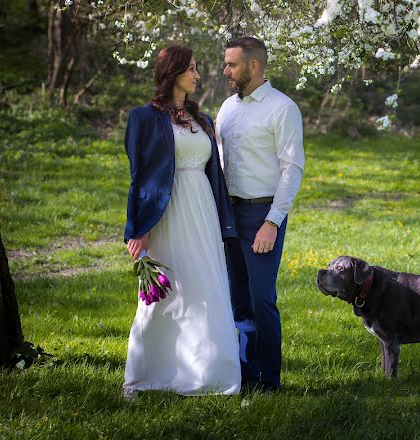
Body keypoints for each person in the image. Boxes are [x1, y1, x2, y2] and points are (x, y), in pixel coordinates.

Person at [122, 45, 241, 397]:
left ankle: (210, 374)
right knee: (163, 294)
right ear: (173, 73)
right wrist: (137, 229)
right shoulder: (143, 118)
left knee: (207, 289)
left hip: (201, 210)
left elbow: (213, 172)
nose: (197, 75)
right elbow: (138, 177)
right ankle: (149, 374)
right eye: (191, 68)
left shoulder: (201, 120)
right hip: (166, 214)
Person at [216, 36, 305, 392]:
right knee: (236, 298)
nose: (226, 70)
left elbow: (292, 169)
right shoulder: (227, 108)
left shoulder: (282, 108)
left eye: (232, 64)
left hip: (261, 216)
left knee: (261, 300)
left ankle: (269, 380)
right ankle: (243, 372)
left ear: (254, 66)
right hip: (228, 215)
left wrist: (272, 222)